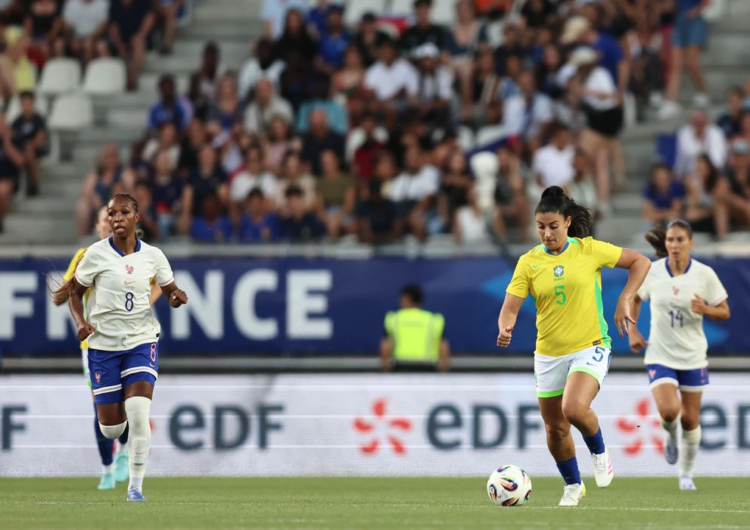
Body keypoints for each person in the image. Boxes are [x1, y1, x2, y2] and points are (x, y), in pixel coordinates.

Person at [496, 186, 651, 506]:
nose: (547, 233)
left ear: (567, 222)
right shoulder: (528, 262)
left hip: (589, 345)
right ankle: (573, 485)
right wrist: (505, 327)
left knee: (574, 409)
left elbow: (640, 261)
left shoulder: (589, 249)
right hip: (548, 354)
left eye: (553, 226)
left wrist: (625, 298)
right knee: (555, 428)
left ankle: (600, 453)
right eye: (541, 226)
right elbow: (510, 307)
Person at [52, 193, 188, 502]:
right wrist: (80, 322)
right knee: (111, 429)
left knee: (139, 412)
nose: (116, 218)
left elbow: (169, 289)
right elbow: (74, 294)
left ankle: (135, 487)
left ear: (136, 217)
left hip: (141, 341)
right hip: (103, 346)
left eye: (123, 212)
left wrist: (176, 296)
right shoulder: (93, 255)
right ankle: (118, 432)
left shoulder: (153, 255)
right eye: (111, 213)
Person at [629, 220, 730, 490]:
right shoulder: (653, 272)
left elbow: (724, 311)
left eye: (680, 240)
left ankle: (686, 475)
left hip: (693, 356)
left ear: (690, 243)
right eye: (670, 240)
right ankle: (670, 436)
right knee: (670, 411)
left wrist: (706, 309)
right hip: (660, 354)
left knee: (690, 420)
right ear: (666, 244)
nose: (674, 245)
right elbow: (635, 298)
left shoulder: (704, 274)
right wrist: (633, 331)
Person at [659, 0, 711, 120]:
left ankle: (702, 92)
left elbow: (707, 2)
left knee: (691, 62)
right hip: (678, 21)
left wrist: (695, 11)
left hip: (695, 22)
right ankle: (670, 102)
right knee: (675, 65)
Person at [381, 284, 450, 372]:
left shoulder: (393, 319)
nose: (400, 302)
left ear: (407, 298)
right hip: (428, 368)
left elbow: (385, 346)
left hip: (401, 367)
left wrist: (386, 368)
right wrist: (443, 370)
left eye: (401, 298)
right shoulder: (433, 320)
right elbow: (443, 347)